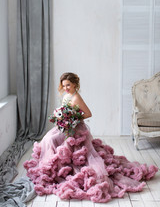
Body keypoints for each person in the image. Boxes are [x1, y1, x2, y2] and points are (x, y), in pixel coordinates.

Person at [24, 72, 158, 203]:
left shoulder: (77, 98)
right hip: (66, 126)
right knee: (48, 138)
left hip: (76, 128)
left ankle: (60, 168)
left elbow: (88, 114)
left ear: (75, 84)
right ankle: (53, 168)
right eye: (64, 85)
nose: (66, 88)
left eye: (69, 85)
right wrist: (61, 116)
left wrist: (72, 117)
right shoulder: (66, 96)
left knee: (54, 140)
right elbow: (64, 110)